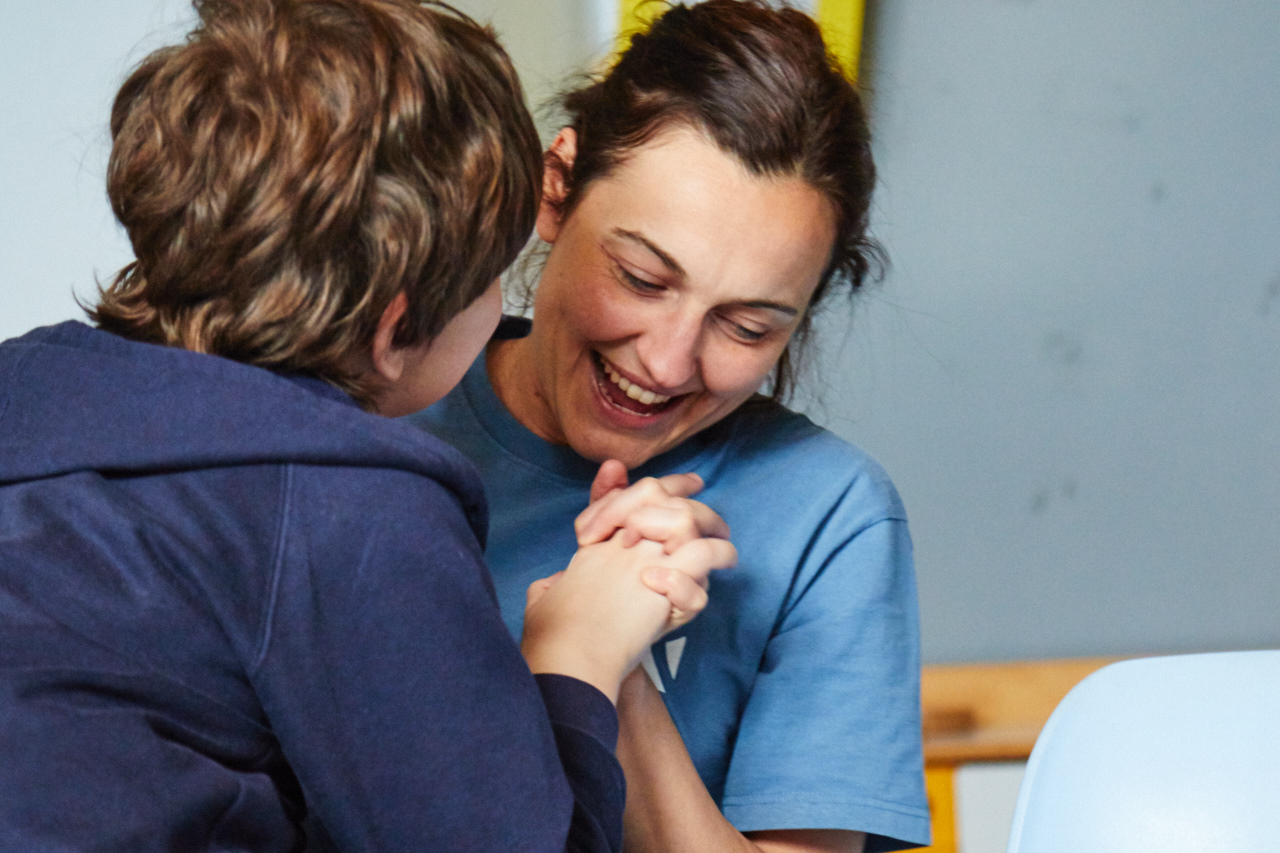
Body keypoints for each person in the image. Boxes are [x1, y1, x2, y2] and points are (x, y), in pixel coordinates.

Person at [0, 1, 735, 851]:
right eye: (494, 283)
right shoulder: (350, 509)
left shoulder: (31, 402)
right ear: (395, 332)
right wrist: (576, 656)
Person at [407, 1, 930, 851]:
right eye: (643, 278)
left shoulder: (830, 515)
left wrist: (610, 675)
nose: (667, 361)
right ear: (556, 189)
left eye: (747, 327)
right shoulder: (383, 421)